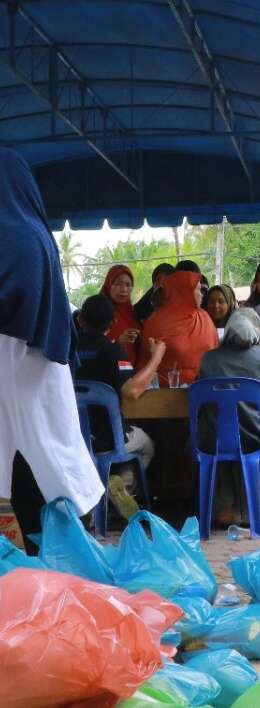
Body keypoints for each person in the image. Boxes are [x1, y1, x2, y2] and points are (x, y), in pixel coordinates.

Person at [0, 148, 103, 555]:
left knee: (40, 460)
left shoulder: (14, 236)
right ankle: (64, 556)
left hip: (19, 360)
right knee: (47, 456)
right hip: (33, 363)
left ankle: (62, 559)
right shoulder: (33, 231)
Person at [75, 294, 163, 520]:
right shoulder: (113, 351)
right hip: (108, 439)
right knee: (147, 444)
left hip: (73, 438)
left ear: (81, 321)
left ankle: (96, 503)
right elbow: (132, 391)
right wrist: (156, 358)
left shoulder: (66, 350)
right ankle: (119, 487)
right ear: (113, 323)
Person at [197, 308, 260, 527]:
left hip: (213, 440)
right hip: (256, 438)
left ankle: (224, 509)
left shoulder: (208, 360)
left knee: (222, 437)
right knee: (255, 444)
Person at [138, 270, 218, 386]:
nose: (201, 294)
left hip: (204, 389)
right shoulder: (157, 322)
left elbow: (214, 352)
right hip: (167, 395)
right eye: (197, 289)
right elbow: (149, 362)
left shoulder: (204, 318)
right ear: (185, 291)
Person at [100, 265, 143, 368]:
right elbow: (90, 346)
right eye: (118, 284)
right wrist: (117, 341)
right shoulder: (98, 310)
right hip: (106, 374)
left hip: (130, 374)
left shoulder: (133, 313)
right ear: (109, 285)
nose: (123, 289)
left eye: (128, 285)